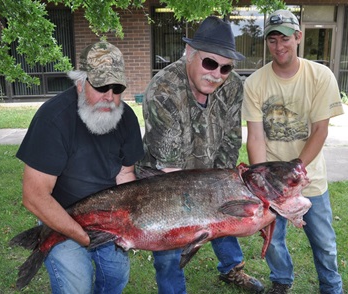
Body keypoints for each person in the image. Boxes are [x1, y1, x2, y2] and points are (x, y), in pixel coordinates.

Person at [138, 16, 264, 293]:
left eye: (226, 67)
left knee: (226, 213)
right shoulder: (164, 91)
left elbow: (231, 140)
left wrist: (223, 188)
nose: (217, 74)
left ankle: (232, 269)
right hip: (166, 180)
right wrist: (204, 211)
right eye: (209, 63)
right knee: (170, 249)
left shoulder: (232, 86)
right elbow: (171, 172)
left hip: (210, 173)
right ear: (189, 54)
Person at [16, 41, 144, 294]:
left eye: (117, 88)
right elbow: (35, 196)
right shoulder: (53, 119)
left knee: (116, 276)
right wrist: (84, 237)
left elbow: (125, 174)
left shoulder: (126, 117)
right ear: (80, 82)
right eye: (100, 86)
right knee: (77, 283)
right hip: (61, 214)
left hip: (108, 218)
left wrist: (129, 223)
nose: (109, 96)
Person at [242, 9, 344, 294]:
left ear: (298, 37)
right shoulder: (255, 83)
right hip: (273, 183)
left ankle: (331, 287)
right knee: (274, 241)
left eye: (285, 38)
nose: (279, 46)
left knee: (324, 242)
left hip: (310, 179)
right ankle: (282, 281)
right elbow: (256, 136)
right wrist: (262, 181)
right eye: (272, 39)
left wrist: (296, 170)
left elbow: (320, 131)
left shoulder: (320, 76)